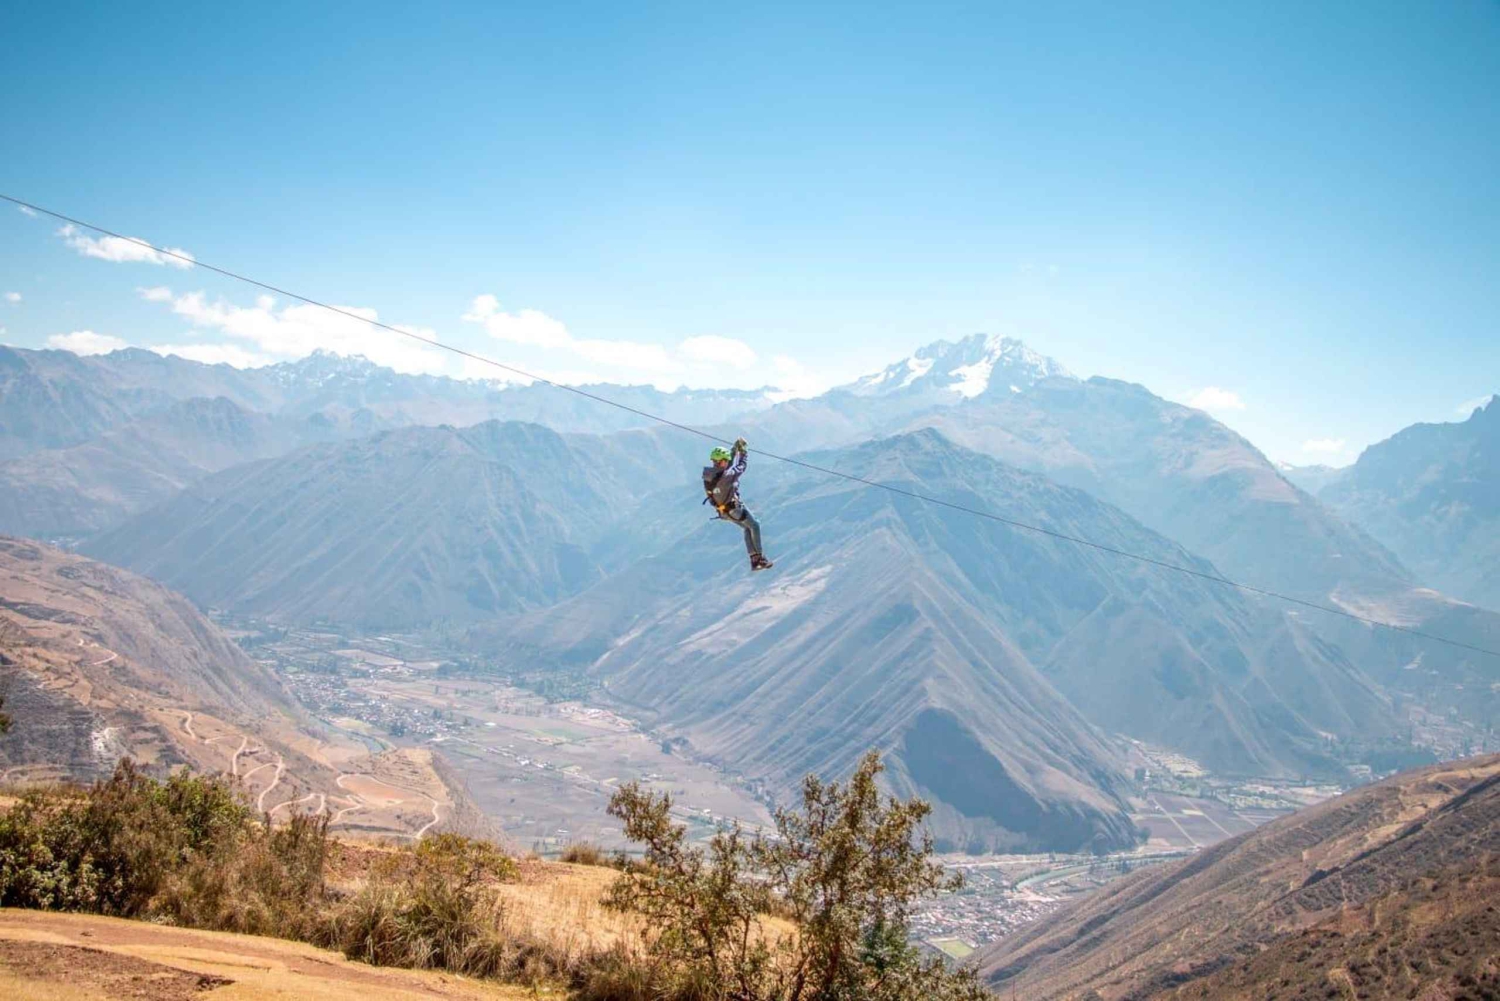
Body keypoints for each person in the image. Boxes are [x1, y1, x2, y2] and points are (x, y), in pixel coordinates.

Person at [704, 437, 772, 571]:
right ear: (721, 461)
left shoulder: (710, 475)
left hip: (723, 512)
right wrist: (744, 453)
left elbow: (727, 464)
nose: (727, 462)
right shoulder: (727, 476)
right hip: (734, 509)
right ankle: (760, 558)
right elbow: (740, 467)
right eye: (725, 460)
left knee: (747, 528)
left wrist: (735, 449)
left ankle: (754, 560)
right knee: (755, 525)